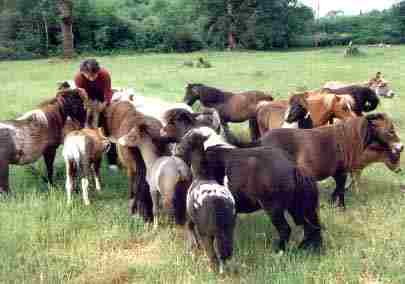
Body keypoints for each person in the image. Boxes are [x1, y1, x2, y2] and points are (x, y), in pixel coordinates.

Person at [74, 59, 118, 171]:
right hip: (86, 100)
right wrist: (89, 107)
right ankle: (84, 156)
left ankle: (112, 161)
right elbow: (82, 95)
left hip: (101, 98)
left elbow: (108, 92)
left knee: (108, 126)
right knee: (83, 126)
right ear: (83, 73)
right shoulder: (79, 77)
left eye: (94, 76)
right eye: (88, 76)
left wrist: (104, 104)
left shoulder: (104, 74)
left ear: (98, 71)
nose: (92, 78)